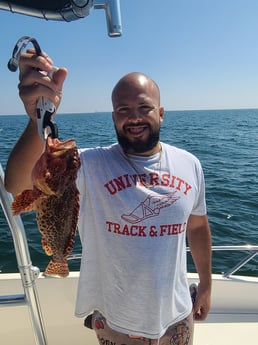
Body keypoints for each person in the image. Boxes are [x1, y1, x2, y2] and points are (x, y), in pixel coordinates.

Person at [5, 49, 212, 345]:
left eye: (144, 107)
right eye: (123, 110)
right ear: (114, 115)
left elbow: (196, 226)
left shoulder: (190, 164)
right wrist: (36, 119)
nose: (134, 118)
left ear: (161, 113)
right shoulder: (89, 164)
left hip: (177, 315)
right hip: (115, 321)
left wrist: (206, 284)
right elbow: (16, 183)